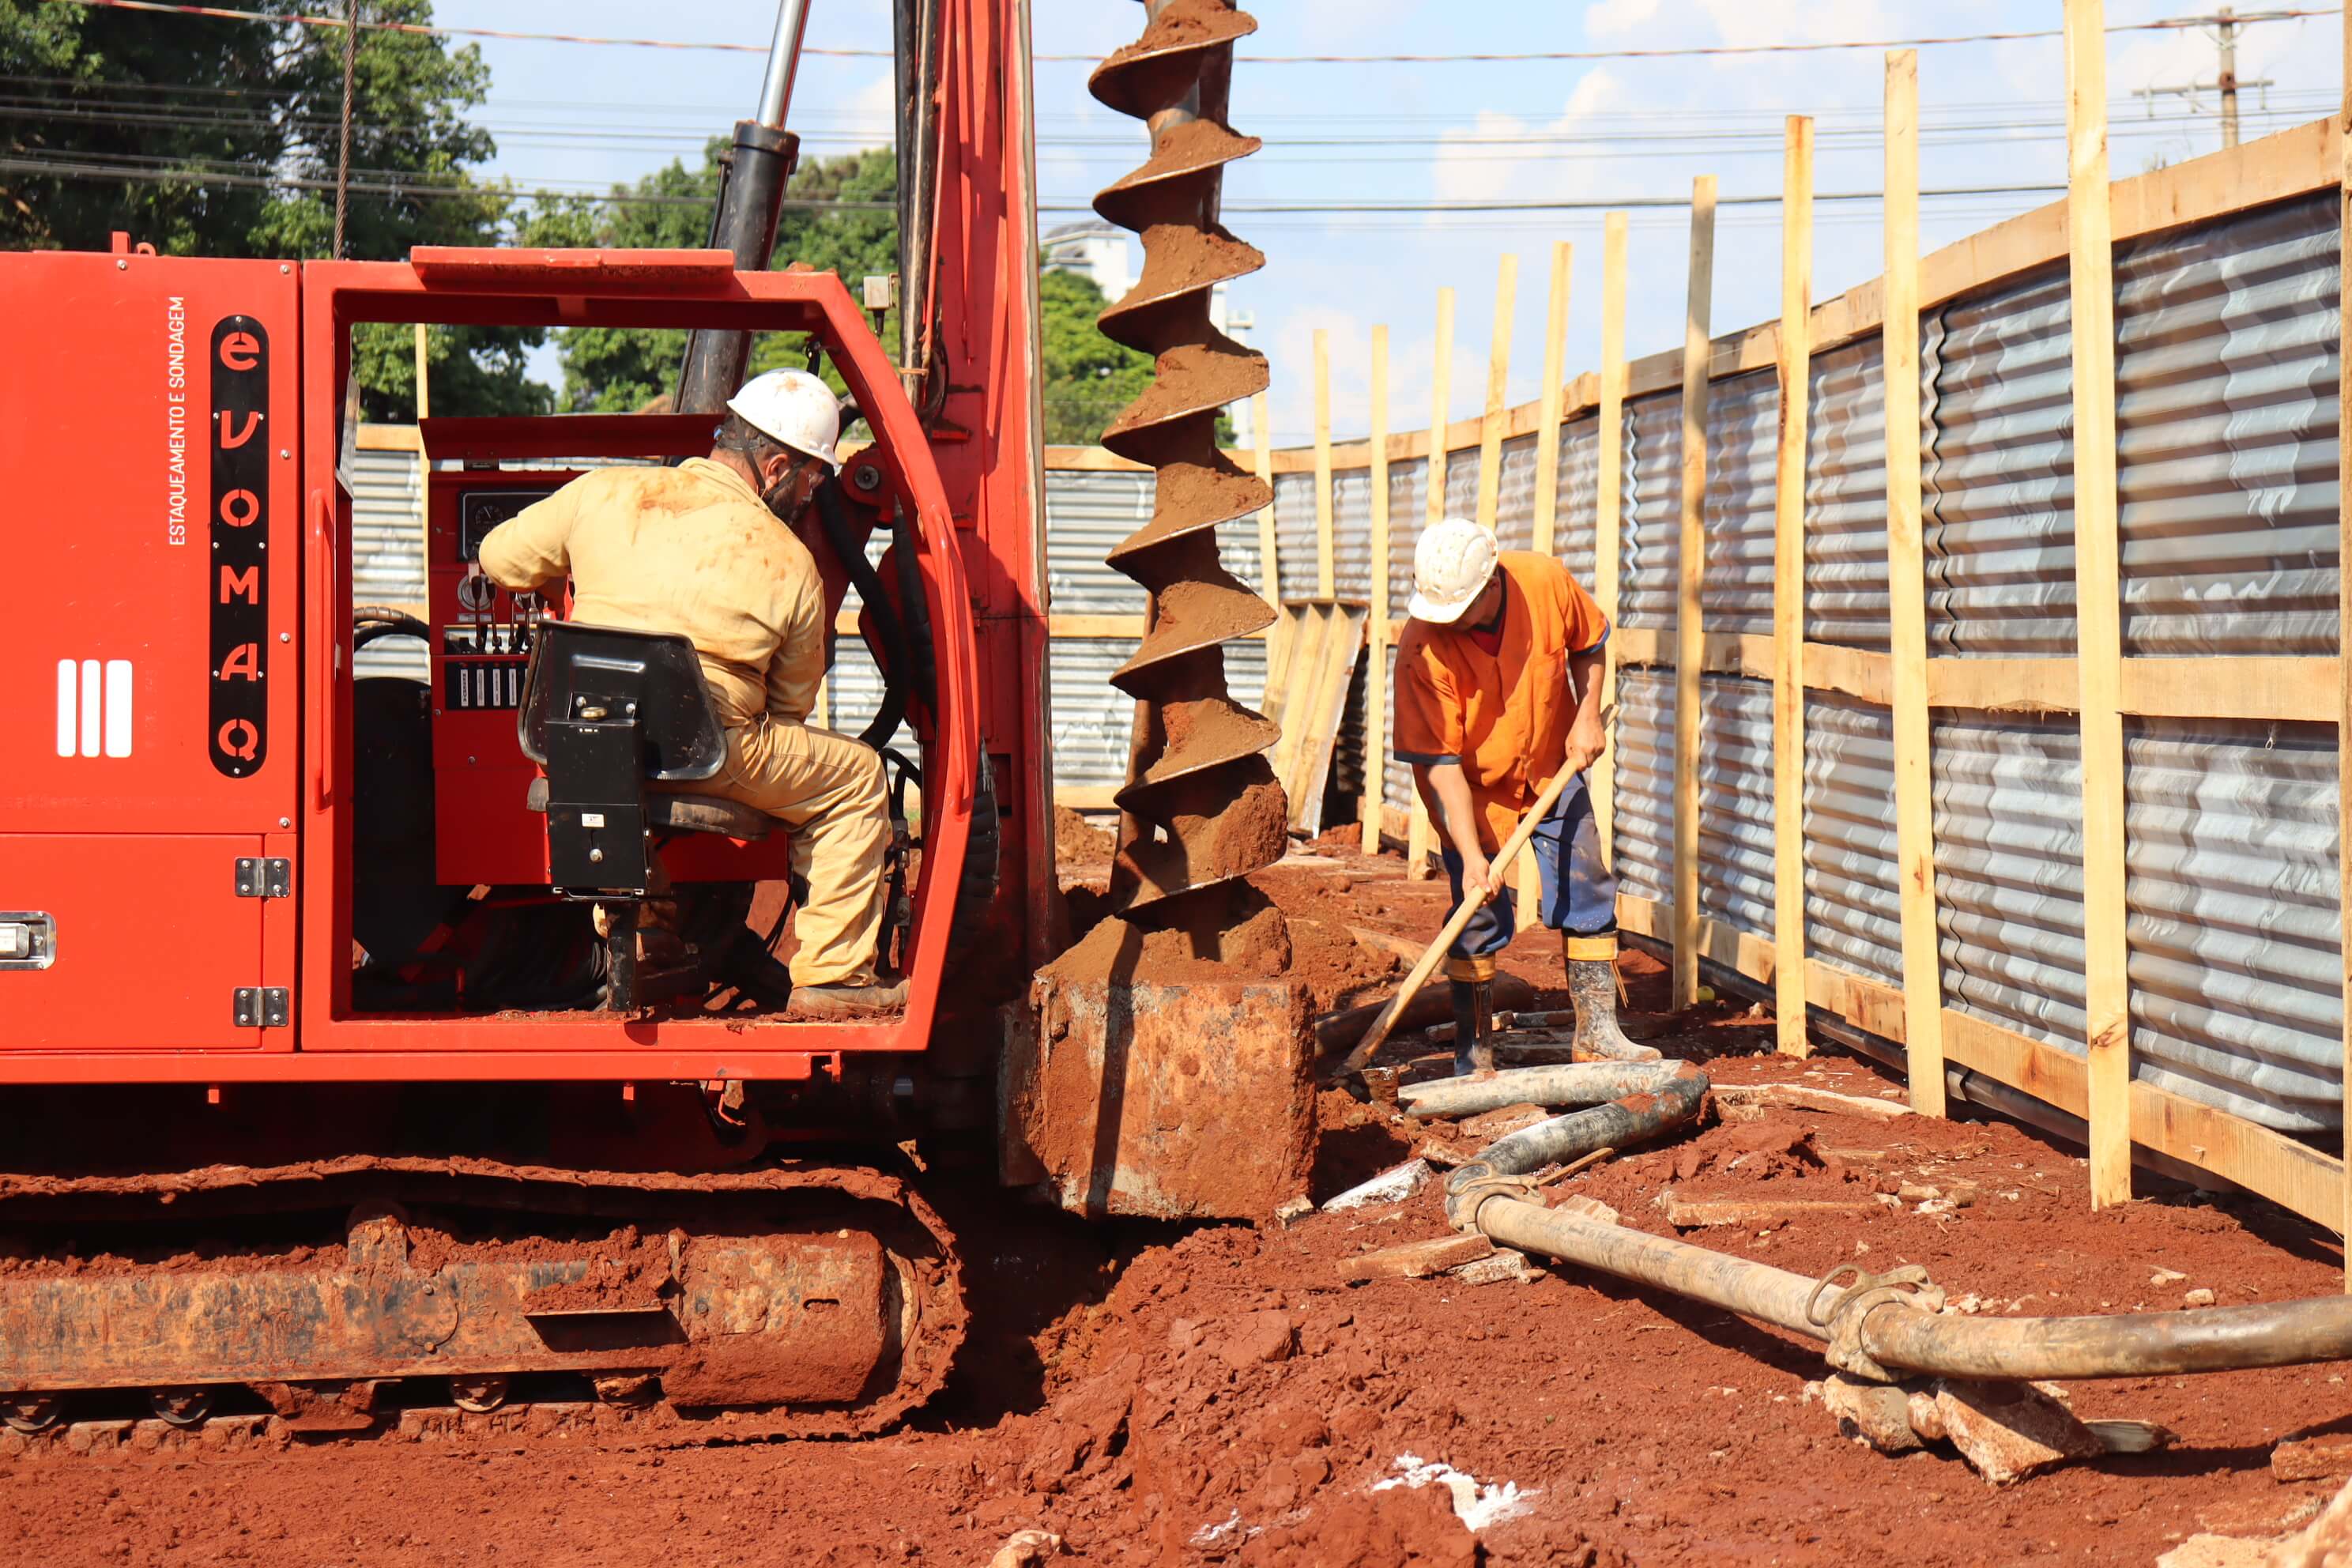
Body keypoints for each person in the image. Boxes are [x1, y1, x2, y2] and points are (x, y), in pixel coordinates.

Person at [476, 368, 900, 1019]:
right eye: (814, 477)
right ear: (776, 464)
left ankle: (645, 936)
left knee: (611, 762)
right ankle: (836, 977)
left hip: (577, 742)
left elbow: (501, 559)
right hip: (712, 749)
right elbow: (789, 709)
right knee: (856, 778)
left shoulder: (603, 491)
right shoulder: (790, 563)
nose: (814, 495)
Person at [1391, 515, 1641, 1074]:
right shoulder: (1421, 648)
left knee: (1587, 882)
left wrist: (1585, 717)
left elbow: (1591, 643)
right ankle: (1473, 1050)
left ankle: (1598, 1034)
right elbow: (1440, 765)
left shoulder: (1545, 582)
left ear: (1492, 584)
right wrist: (1474, 856)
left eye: (1460, 610)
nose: (1449, 623)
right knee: (1476, 908)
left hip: (1553, 764)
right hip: (1472, 789)